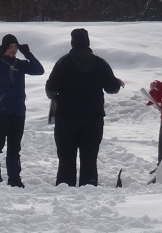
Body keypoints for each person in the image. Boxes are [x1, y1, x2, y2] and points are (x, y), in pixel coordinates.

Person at [44, 27, 124, 186]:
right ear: (87, 41)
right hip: (93, 118)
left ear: (72, 42)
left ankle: (65, 187)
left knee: (66, 156)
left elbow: (51, 90)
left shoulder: (63, 62)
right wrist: (116, 82)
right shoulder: (100, 63)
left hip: (66, 118)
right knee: (89, 156)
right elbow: (112, 88)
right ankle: (89, 185)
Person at [0, 33, 44, 187]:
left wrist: (27, 53)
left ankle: (14, 179)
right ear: (4, 48)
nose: (13, 50)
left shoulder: (20, 64)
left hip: (17, 112)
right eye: (10, 47)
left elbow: (39, 70)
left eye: (15, 47)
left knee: (14, 147)